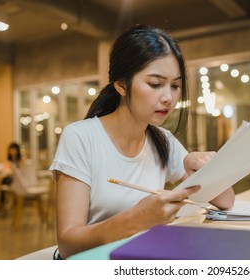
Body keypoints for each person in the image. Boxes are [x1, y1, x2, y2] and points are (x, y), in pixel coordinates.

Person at [50, 24, 235, 259]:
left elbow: (226, 202)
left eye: (175, 86)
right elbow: (68, 244)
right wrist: (138, 219)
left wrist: (203, 167)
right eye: (155, 84)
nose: (169, 97)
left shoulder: (162, 140)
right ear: (121, 85)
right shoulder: (80, 137)